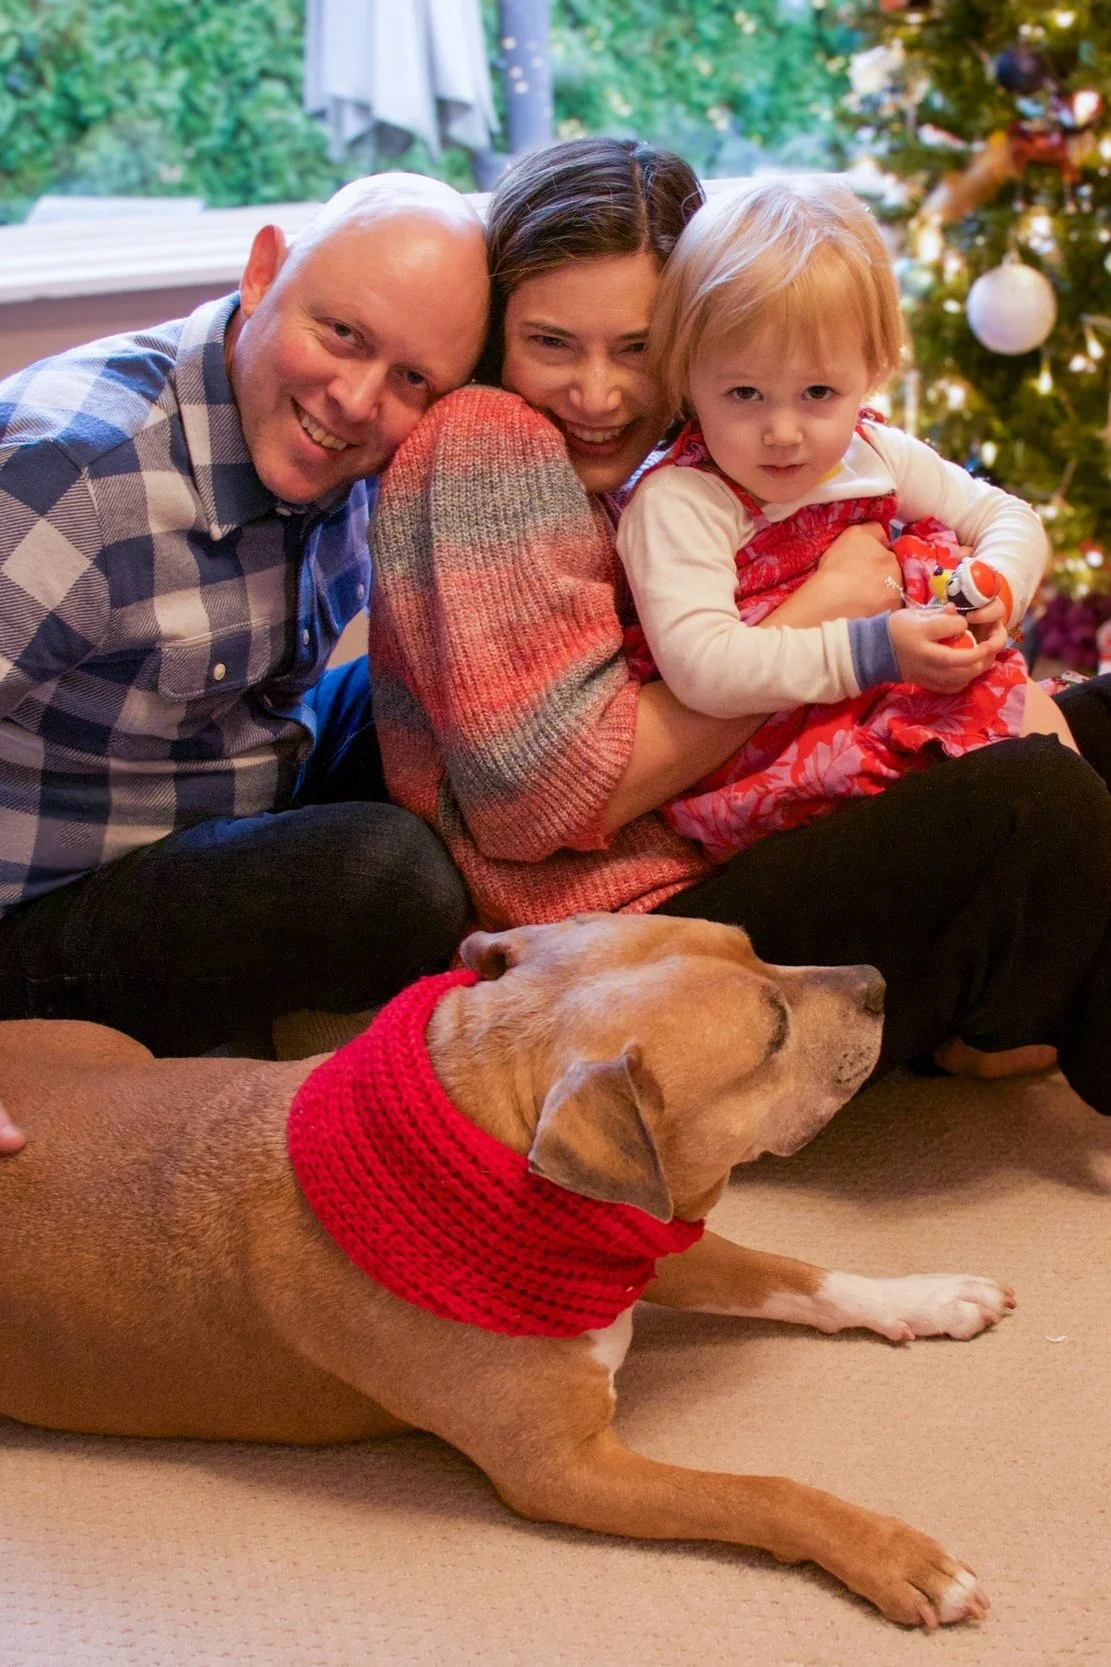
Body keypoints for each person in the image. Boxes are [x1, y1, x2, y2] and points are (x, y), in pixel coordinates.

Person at [369, 135, 1111, 1118]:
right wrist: (841, 607)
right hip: (625, 930)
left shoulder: (707, 440)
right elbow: (536, 803)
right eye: (551, 342)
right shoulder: (487, 447)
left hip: (763, 816)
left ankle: (1023, 999)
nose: (599, 394)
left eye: (636, 348)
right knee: (1035, 800)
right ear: (498, 328)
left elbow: (980, 521)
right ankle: (1032, 1009)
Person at [0, 172, 489, 1078]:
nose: (354, 399)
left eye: (413, 377)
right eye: (341, 334)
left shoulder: (368, 446)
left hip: (224, 762)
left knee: (483, 720)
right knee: (385, 880)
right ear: (263, 271)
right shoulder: (71, 477)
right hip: (44, 902)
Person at [616, 175, 1074, 859]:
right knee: (1047, 795)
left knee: (1053, 763)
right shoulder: (681, 502)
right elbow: (703, 668)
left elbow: (1005, 515)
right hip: (783, 782)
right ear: (686, 374)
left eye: (817, 392)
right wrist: (871, 650)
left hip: (911, 708)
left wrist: (994, 590)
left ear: (873, 370)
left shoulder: (872, 451)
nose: (782, 431)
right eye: (743, 391)